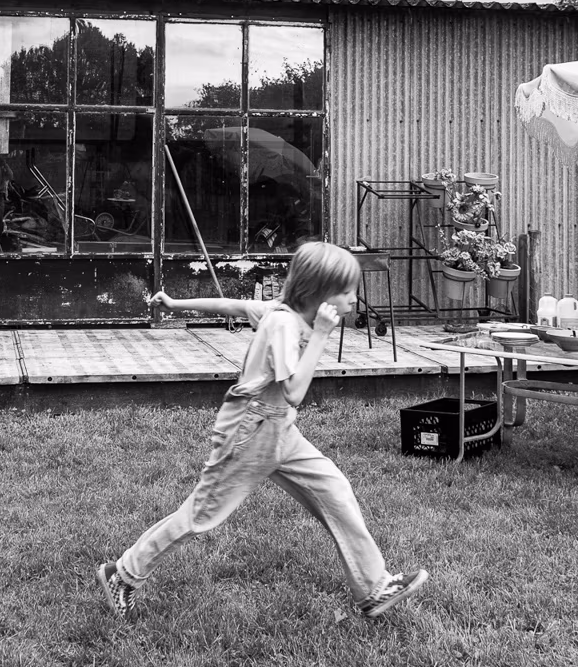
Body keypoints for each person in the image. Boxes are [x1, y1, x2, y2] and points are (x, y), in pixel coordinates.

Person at [94, 242, 428, 622]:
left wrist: (175, 303)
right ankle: (121, 574)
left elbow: (231, 306)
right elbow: (294, 392)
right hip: (250, 431)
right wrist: (320, 334)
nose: (354, 299)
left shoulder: (281, 310)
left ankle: (373, 588)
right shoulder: (285, 326)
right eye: (347, 291)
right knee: (201, 516)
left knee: (334, 489)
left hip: (279, 429)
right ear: (319, 292)